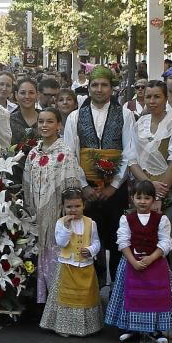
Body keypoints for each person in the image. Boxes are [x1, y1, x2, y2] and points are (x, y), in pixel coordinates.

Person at [128, 80, 172, 320]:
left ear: (166, 98)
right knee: (142, 244)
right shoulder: (140, 124)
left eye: (157, 97)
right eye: (148, 97)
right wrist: (147, 187)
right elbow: (132, 159)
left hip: (171, 190)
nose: (152, 101)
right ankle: (145, 303)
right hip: (145, 189)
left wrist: (159, 195)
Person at [65, 67, 136, 281]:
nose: (99, 89)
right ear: (87, 88)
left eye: (104, 85)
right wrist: (84, 186)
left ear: (112, 88)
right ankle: (90, 289)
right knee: (86, 239)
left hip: (115, 190)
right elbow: (70, 154)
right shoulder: (75, 117)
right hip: (86, 191)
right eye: (94, 85)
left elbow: (129, 152)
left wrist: (113, 186)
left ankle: (117, 288)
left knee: (117, 239)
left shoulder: (125, 114)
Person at [104, 180, 172, 343]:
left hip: (155, 263)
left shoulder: (161, 219)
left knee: (155, 296)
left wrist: (151, 258)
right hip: (131, 263)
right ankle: (130, 327)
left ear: (153, 200)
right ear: (132, 199)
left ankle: (155, 329)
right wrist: (133, 261)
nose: (143, 201)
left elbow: (166, 242)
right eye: (139, 197)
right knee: (131, 294)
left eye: (147, 198)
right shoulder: (126, 219)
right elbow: (122, 241)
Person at [24, 107, 83, 304]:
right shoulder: (32, 153)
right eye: (41, 121)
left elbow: (72, 186)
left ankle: (59, 307)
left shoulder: (65, 153)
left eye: (50, 121)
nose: (44, 125)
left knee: (56, 261)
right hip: (35, 216)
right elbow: (27, 185)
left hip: (57, 218)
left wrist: (64, 215)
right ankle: (41, 305)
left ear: (59, 125)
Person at [40, 187, 103, 337]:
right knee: (66, 298)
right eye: (69, 207)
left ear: (84, 206)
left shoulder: (91, 223)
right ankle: (64, 327)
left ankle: (86, 327)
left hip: (85, 266)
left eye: (77, 206)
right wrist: (67, 227)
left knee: (84, 298)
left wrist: (91, 250)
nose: (73, 210)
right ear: (63, 207)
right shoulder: (61, 223)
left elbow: (97, 242)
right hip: (67, 265)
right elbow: (61, 243)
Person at [9, 78, 41, 153]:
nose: (27, 96)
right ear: (16, 95)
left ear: (37, 95)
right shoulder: (9, 120)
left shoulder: (45, 119)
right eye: (23, 93)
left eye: (31, 93)